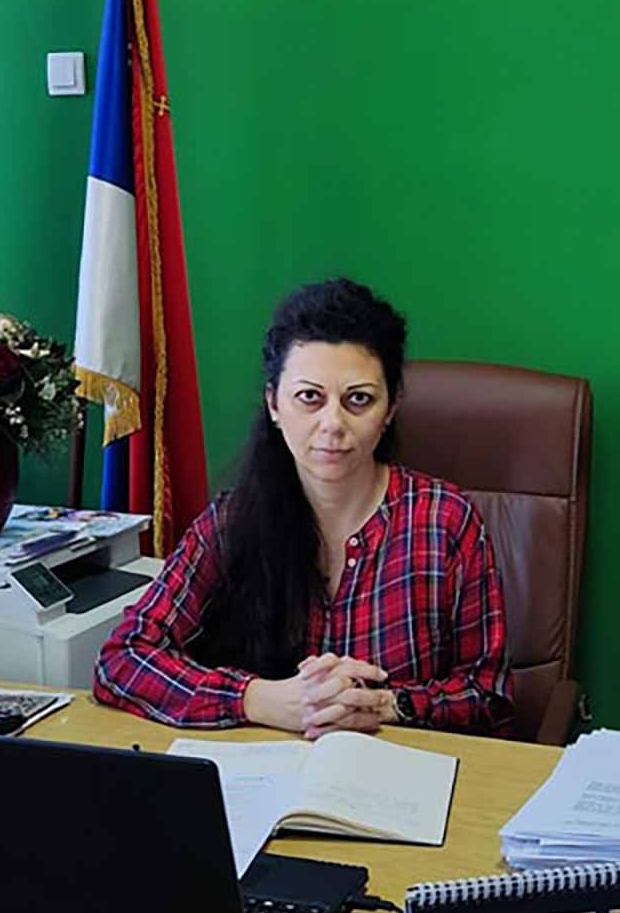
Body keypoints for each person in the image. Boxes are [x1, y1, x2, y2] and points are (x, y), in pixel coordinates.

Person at [93, 278, 513, 736]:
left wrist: (383, 704)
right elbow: (123, 658)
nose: (332, 423)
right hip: (267, 768)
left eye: (358, 399)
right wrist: (260, 699)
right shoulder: (233, 521)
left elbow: (488, 695)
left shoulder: (446, 520)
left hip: (403, 767)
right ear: (274, 404)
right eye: (310, 397)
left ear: (390, 408)